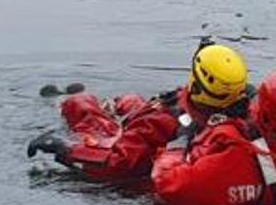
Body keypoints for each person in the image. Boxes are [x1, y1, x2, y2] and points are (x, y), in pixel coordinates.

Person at [28, 43, 253, 180]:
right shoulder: (241, 112)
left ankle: (66, 100)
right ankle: (111, 105)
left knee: (81, 106)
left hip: (150, 130)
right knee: (131, 101)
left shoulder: (159, 124)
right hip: (175, 112)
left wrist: (66, 149)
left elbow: (119, 163)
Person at [150, 69, 276, 205]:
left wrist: (179, 143)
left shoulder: (236, 158)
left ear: (263, 113)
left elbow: (166, 185)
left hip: (227, 184)